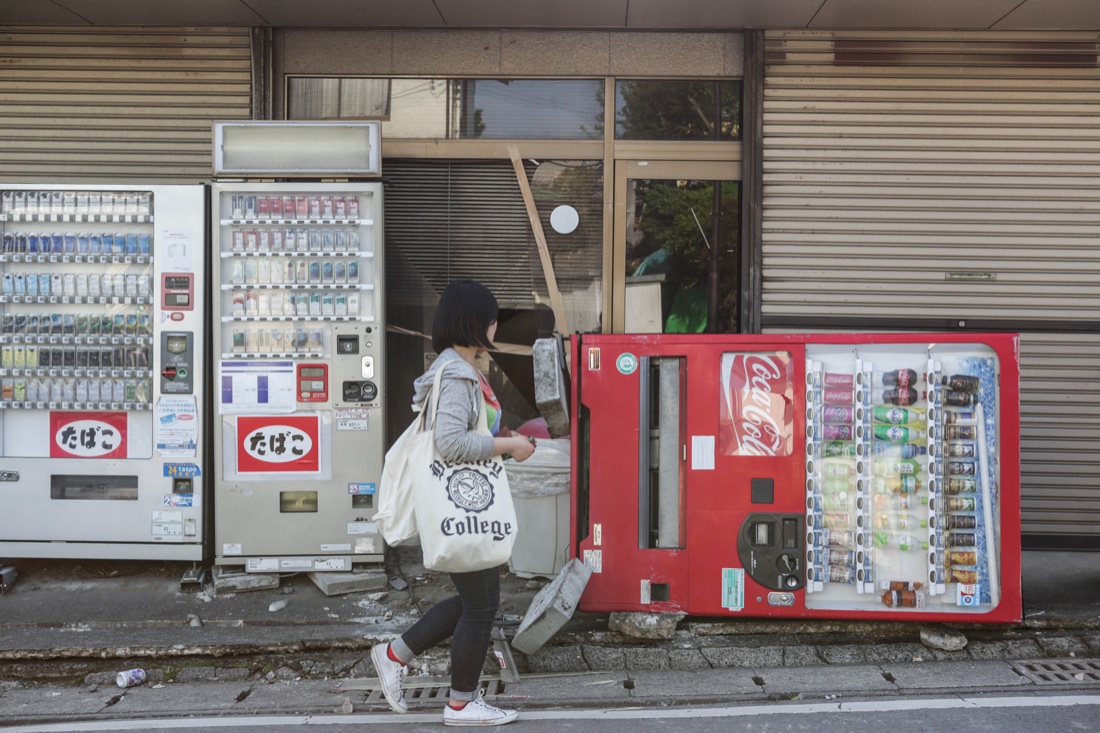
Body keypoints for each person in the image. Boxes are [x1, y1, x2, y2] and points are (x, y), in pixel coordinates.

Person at [371, 280, 536, 727]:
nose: (496, 326)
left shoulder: (456, 367)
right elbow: (450, 442)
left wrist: (504, 441)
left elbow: (463, 436)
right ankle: (460, 703)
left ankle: (394, 655)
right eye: (492, 319)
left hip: (465, 503)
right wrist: (509, 445)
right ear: (475, 322)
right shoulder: (459, 374)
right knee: (480, 606)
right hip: (464, 506)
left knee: (476, 602)